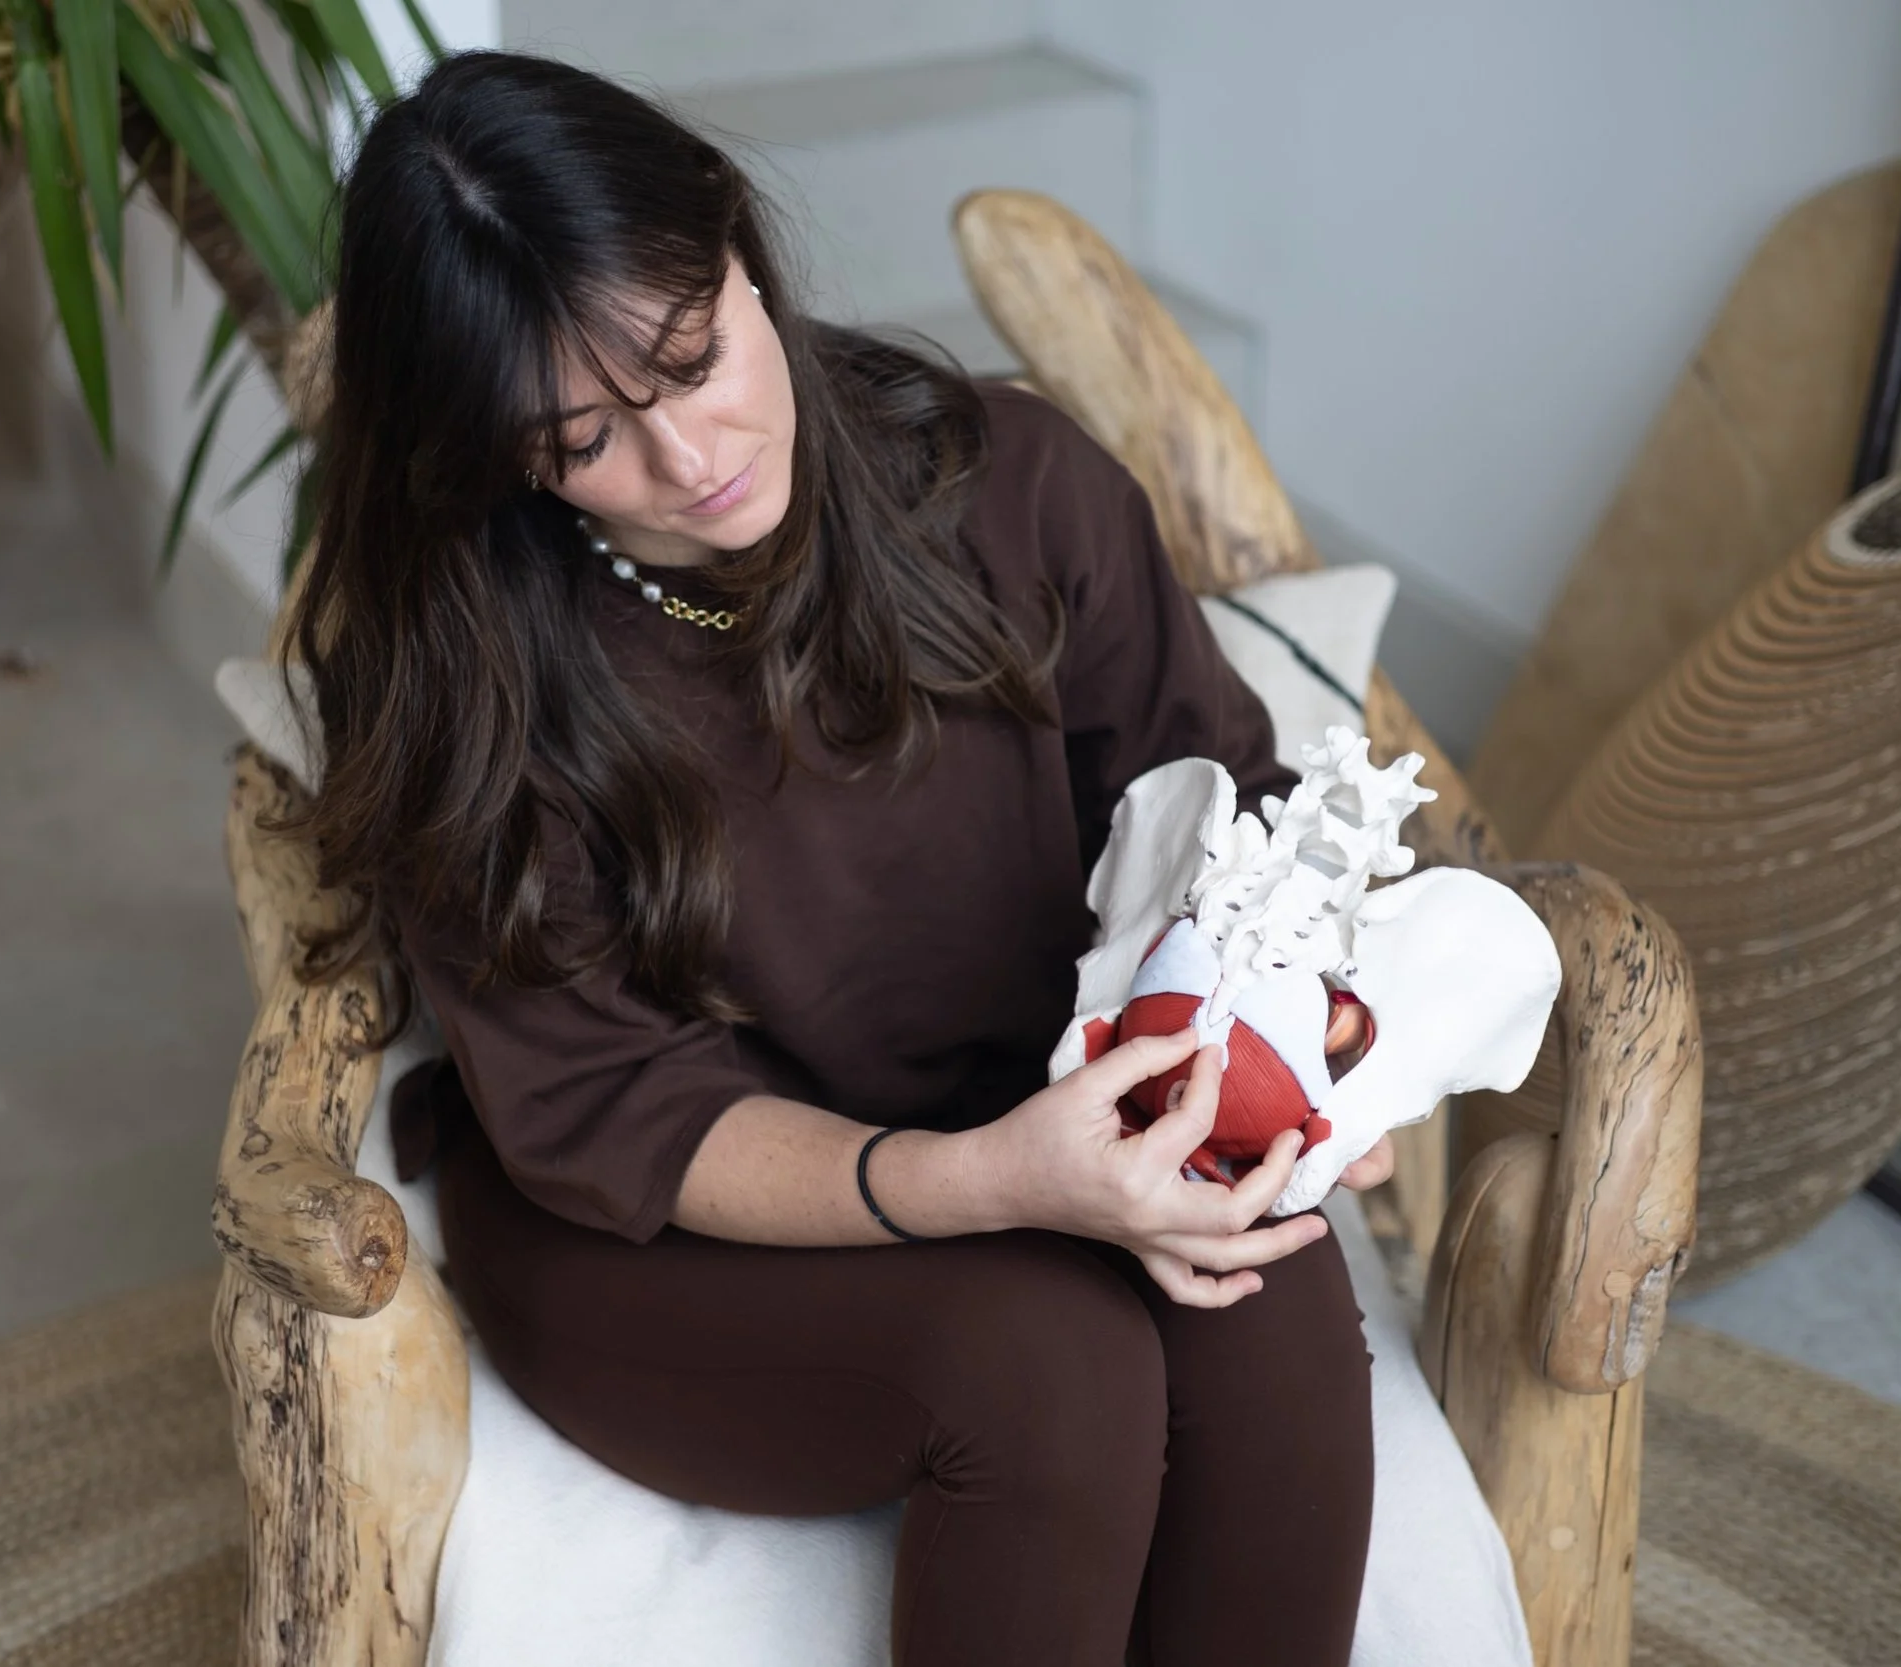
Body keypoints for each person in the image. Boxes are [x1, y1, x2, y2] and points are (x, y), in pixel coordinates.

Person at [284, 48, 1386, 1667]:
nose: (686, 459)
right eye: (582, 436)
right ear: (498, 450)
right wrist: (987, 1180)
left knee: (1264, 1288)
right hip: (648, 1226)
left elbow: (1221, 806)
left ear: (738, 245)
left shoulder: (1015, 486)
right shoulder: (458, 661)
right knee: (1050, 1362)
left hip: (1030, 1097)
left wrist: (1322, 1048)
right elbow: (617, 1111)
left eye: (693, 353)